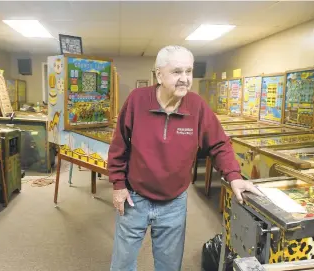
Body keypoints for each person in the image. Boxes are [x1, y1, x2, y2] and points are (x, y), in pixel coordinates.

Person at [107, 45, 263, 271]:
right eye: (177, 72)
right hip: (134, 197)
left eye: (188, 71)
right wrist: (118, 185)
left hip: (174, 202)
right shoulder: (137, 100)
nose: (185, 79)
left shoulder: (197, 106)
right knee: (122, 264)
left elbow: (219, 143)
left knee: (169, 266)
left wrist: (234, 176)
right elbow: (119, 145)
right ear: (159, 75)